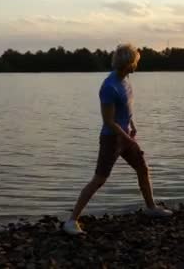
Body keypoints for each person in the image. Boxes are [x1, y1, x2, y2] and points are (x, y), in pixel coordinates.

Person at [64, 44, 172, 235]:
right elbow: (109, 121)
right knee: (99, 179)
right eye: (135, 62)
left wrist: (133, 125)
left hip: (127, 136)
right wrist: (126, 139)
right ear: (128, 63)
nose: (136, 66)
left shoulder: (125, 80)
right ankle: (72, 221)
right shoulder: (109, 87)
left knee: (143, 169)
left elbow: (126, 110)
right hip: (111, 139)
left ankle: (150, 208)